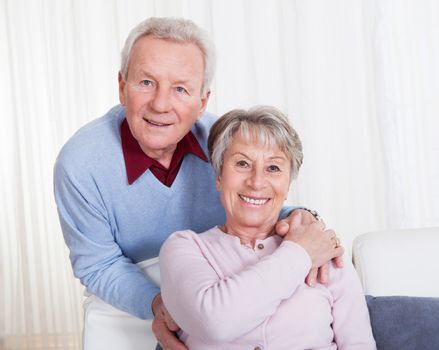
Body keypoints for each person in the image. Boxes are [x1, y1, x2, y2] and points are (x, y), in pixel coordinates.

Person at [53, 17, 343, 349]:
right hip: (126, 308)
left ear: (202, 100)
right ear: (122, 86)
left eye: (180, 88)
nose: (161, 104)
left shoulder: (225, 140)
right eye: (146, 82)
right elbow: (98, 264)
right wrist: (162, 307)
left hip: (219, 297)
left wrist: (303, 218)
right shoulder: (80, 161)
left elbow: (256, 195)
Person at [159, 106, 376, 349]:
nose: (257, 182)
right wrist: (299, 253)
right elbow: (214, 322)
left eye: (273, 168)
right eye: (242, 163)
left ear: (288, 184)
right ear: (219, 177)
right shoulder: (184, 248)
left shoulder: (324, 249)